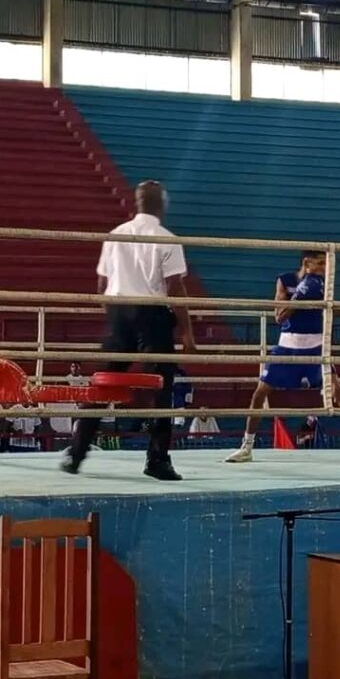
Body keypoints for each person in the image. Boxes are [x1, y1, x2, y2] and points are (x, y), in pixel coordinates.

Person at [60, 180, 197, 481]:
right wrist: (186, 331)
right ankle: (157, 460)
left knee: (101, 385)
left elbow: (100, 285)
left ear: (136, 203)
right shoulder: (166, 238)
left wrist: (117, 316)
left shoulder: (116, 235)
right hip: (153, 316)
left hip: (120, 312)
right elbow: (175, 288)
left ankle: (76, 453)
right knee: (161, 388)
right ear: (161, 204)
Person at [225, 250, 340, 464]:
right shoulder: (285, 281)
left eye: (325, 263)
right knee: (259, 393)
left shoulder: (322, 284)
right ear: (307, 263)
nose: (324, 268)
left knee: (338, 393)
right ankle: (247, 446)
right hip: (287, 347)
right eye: (320, 263)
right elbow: (279, 316)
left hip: (316, 348)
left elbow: (328, 310)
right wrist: (298, 296)